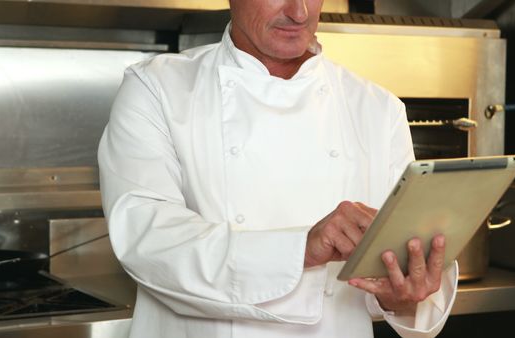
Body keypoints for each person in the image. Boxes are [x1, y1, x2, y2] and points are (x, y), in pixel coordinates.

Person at [98, 0, 458, 337]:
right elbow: (149, 242)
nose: (299, 13)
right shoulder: (157, 88)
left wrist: (401, 293)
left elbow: (400, 274)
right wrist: (300, 249)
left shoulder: (378, 109)